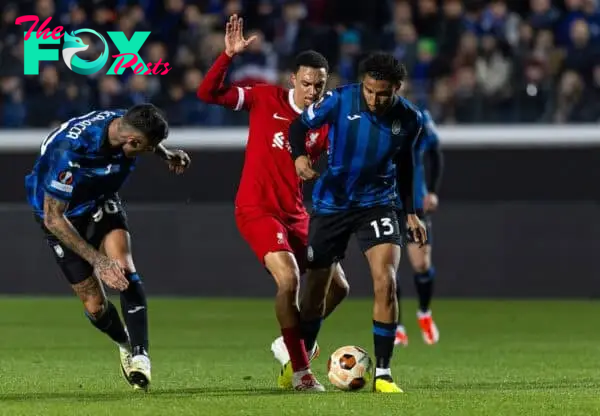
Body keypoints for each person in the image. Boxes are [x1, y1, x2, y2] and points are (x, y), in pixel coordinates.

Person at [196, 15, 349, 392]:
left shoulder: (325, 123)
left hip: (296, 213)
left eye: (319, 84)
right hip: (256, 209)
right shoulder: (266, 98)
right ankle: (301, 372)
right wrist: (226, 57)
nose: (313, 90)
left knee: (339, 287)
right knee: (289, 279)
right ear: (292, 80)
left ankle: (291, 343)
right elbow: (207, 94)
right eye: (307, 82)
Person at [25, 104, 191, 391]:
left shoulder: (128, 119)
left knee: (124, 268)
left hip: (100, 198)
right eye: (148, 148)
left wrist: (166, 153)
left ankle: (141, 356)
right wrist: (98, 262)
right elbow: (54, 218)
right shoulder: (69, 152)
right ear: (133, 142)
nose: (148, 152)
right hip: (60, 216)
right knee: (96, 306)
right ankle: (126, 344)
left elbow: (144, 134)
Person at [288, 52, 427, 393]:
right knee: (315, 292)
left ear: (397, 87)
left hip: (377, 203)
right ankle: (298, 368)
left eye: (382, 93)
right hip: (331, 204)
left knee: (387, 281)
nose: (374, 99)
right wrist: (300, 156)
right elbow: (297, 127)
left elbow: (407, 166)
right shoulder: (338, 99)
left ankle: (382, 374)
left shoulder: (410, 119)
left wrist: (410, 211)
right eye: (369, 91)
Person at [395, 109, 444, 347]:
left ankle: (424, 313)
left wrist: (432, 190)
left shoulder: (419, 116)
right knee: (386, 268)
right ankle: (395, 325)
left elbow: (435, 152)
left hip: (415, 202)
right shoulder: (371, 116)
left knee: (421, 264)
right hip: (386, 203)